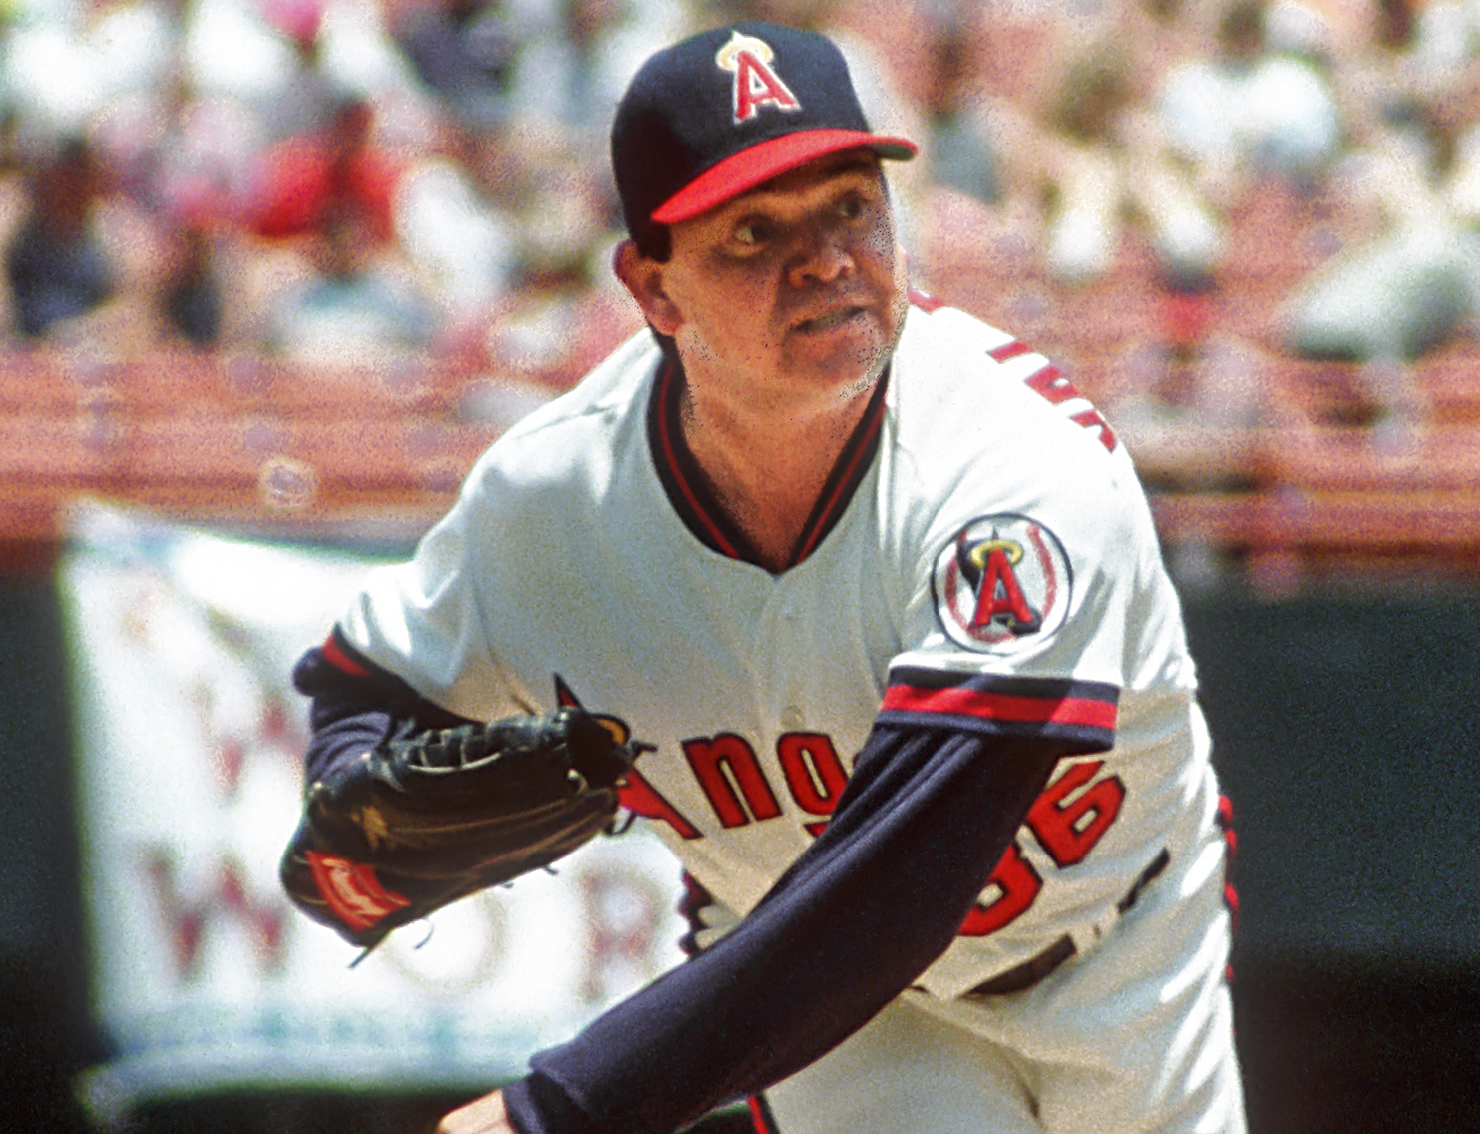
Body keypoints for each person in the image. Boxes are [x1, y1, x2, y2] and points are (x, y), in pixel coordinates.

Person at [285, 21, 1246, 1134]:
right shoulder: (548, 506)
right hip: (836, 1015)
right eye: (754, 231)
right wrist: (353, 795)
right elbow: (362, 685)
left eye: (850, 204)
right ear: (653, 287)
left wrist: (558, 1112)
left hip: (1120, 959)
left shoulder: (1015, 471)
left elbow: (898, 887)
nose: (829, 258)